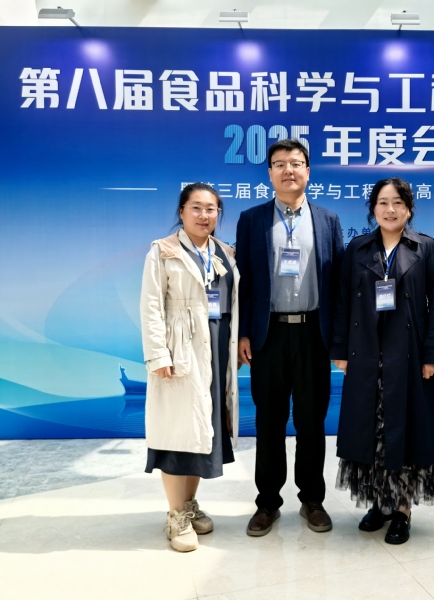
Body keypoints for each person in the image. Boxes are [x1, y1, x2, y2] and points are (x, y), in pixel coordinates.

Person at [331, 177, 434, 545]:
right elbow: (342, 302)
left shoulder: (426, 248)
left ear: (409, 209)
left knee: (407, 432)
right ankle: (379, 503)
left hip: (410, 356)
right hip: (365, 354)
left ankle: (402, 509)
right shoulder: (358, 248)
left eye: (398, 202)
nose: (390, 209)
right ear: (373, 209)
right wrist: (339, 350)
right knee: (372, 431)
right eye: (382, 202)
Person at [236, 139, 344, 536]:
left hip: (314, 333)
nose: (288, 170)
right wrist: (244, 332)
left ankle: (312, 500)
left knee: (312, 422)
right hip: (268, 336)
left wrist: (338, 339)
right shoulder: (252, 219)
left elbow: (337, 285)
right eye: (279, 164)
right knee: (269, 422)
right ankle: (267, 503)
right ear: (269, 174)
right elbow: (245, 282)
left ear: (308, 172)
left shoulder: (328, 220)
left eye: (296, 163)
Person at [140, 182, 240, 552]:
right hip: (180, 349)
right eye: (196, 207)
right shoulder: (163, 251)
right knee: (177, 432)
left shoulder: (225, 253)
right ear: (181, 212)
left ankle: (190, 504)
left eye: (211, 209)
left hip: (217, 347)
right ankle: (175, 515)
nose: (203, 215)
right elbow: (151, 304)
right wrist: (159, 355)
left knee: (204, 431)